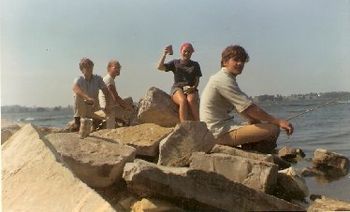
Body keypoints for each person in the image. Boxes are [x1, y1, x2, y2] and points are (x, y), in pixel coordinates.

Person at [200, 45, 294, 153]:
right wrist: (278, 121)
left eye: (242, 61)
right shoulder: (222, 80)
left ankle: (255, 150)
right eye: (236, 60)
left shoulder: (226, 78)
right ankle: (262, 155)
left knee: (262, 125)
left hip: (219, 129)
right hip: (217, 133)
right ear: (225, 62)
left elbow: (242, 110)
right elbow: (250, 108)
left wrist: (256, 122)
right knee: (273, 129)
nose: (240, 63)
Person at [157, 43, 202, 121]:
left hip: (191, 88)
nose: (187, 53)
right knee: (183, 101)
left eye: (189, 51)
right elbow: (160, 67)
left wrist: (193, 88)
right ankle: (184, 126)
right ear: (181, 51)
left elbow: (197, 80)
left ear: (192, 52)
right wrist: (164, 54)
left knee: (191, 100)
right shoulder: (175, 63)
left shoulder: (195, 65)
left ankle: (200, 124)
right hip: (177, 88)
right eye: (185, 51)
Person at [72, 57, 109, 131]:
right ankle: (77, 121)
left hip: (94, 107)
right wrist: (87, 98)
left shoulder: (97, 78)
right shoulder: (79, 79)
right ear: (81, 69)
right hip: (83, 108)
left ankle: (95, 121)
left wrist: (107, 103)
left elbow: (105, 90)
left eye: (90, 66)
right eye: (86, 67)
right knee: (77, 94)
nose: (89, 68)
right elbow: (75, 88)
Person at [99, 59, 133, 129]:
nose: (118, 69)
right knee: (130, 103)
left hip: (107, 106)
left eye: (119, 67)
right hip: (107, 109)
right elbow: (116, 98)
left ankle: (124, 120)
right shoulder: (109, 79)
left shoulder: (108, 79)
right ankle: (130, 123)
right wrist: (128, 107)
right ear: (109, 68)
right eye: (115, 67)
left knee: (128, 100)